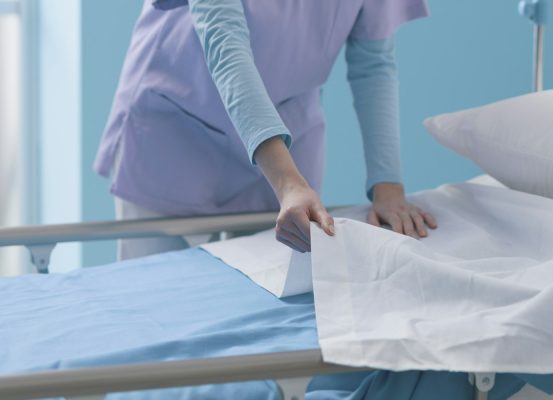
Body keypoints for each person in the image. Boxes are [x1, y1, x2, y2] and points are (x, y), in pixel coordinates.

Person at [94, 0, 436, 260]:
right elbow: (225, 42)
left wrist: (388, 187)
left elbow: (373, 65)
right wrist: (287, 182)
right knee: (157, 306)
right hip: (176, 127)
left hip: (287, 130)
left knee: (277, 303)